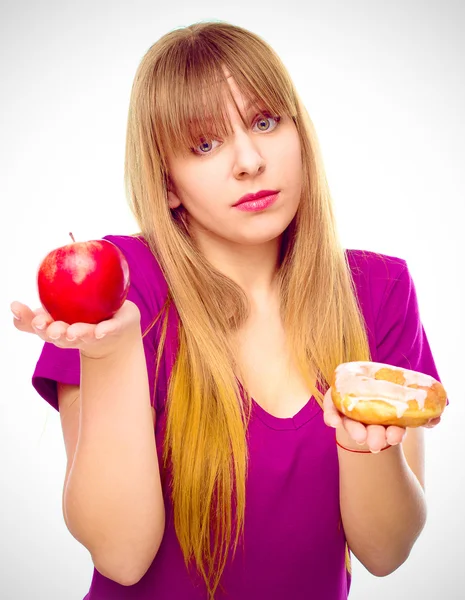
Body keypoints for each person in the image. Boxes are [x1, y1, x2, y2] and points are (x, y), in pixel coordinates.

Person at [10, 20, 446, 600]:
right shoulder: (117, 285)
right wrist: (112, 353)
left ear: (299, 132)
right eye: (205, 144)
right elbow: (121, 555)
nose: (248, 161)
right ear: (167, 182)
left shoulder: (379, 288)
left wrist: (362, 447)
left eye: (265, 122)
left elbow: (387, 552)